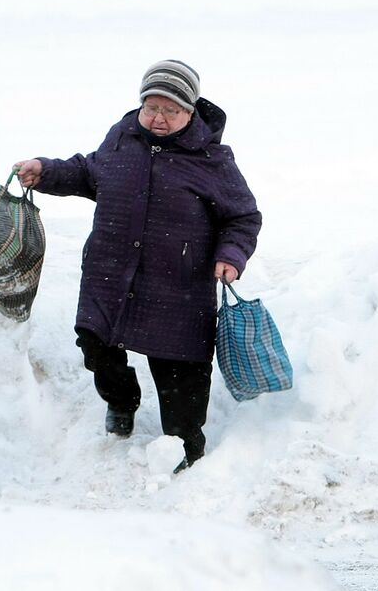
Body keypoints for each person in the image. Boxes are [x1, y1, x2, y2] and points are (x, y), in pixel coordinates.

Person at [15, 59, 261, 473]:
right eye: (152, 107)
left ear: (191, 111)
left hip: (177, 284)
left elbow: (243, 217)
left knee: (179, 373)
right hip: (110, 273)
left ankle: (186, 447)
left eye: (172, 110)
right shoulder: (122, 138)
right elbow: (88, 171)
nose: (159, 119)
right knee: (97, 345)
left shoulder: (211, 160)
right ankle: (121, 401)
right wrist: (46, 170)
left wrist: (231, 256)